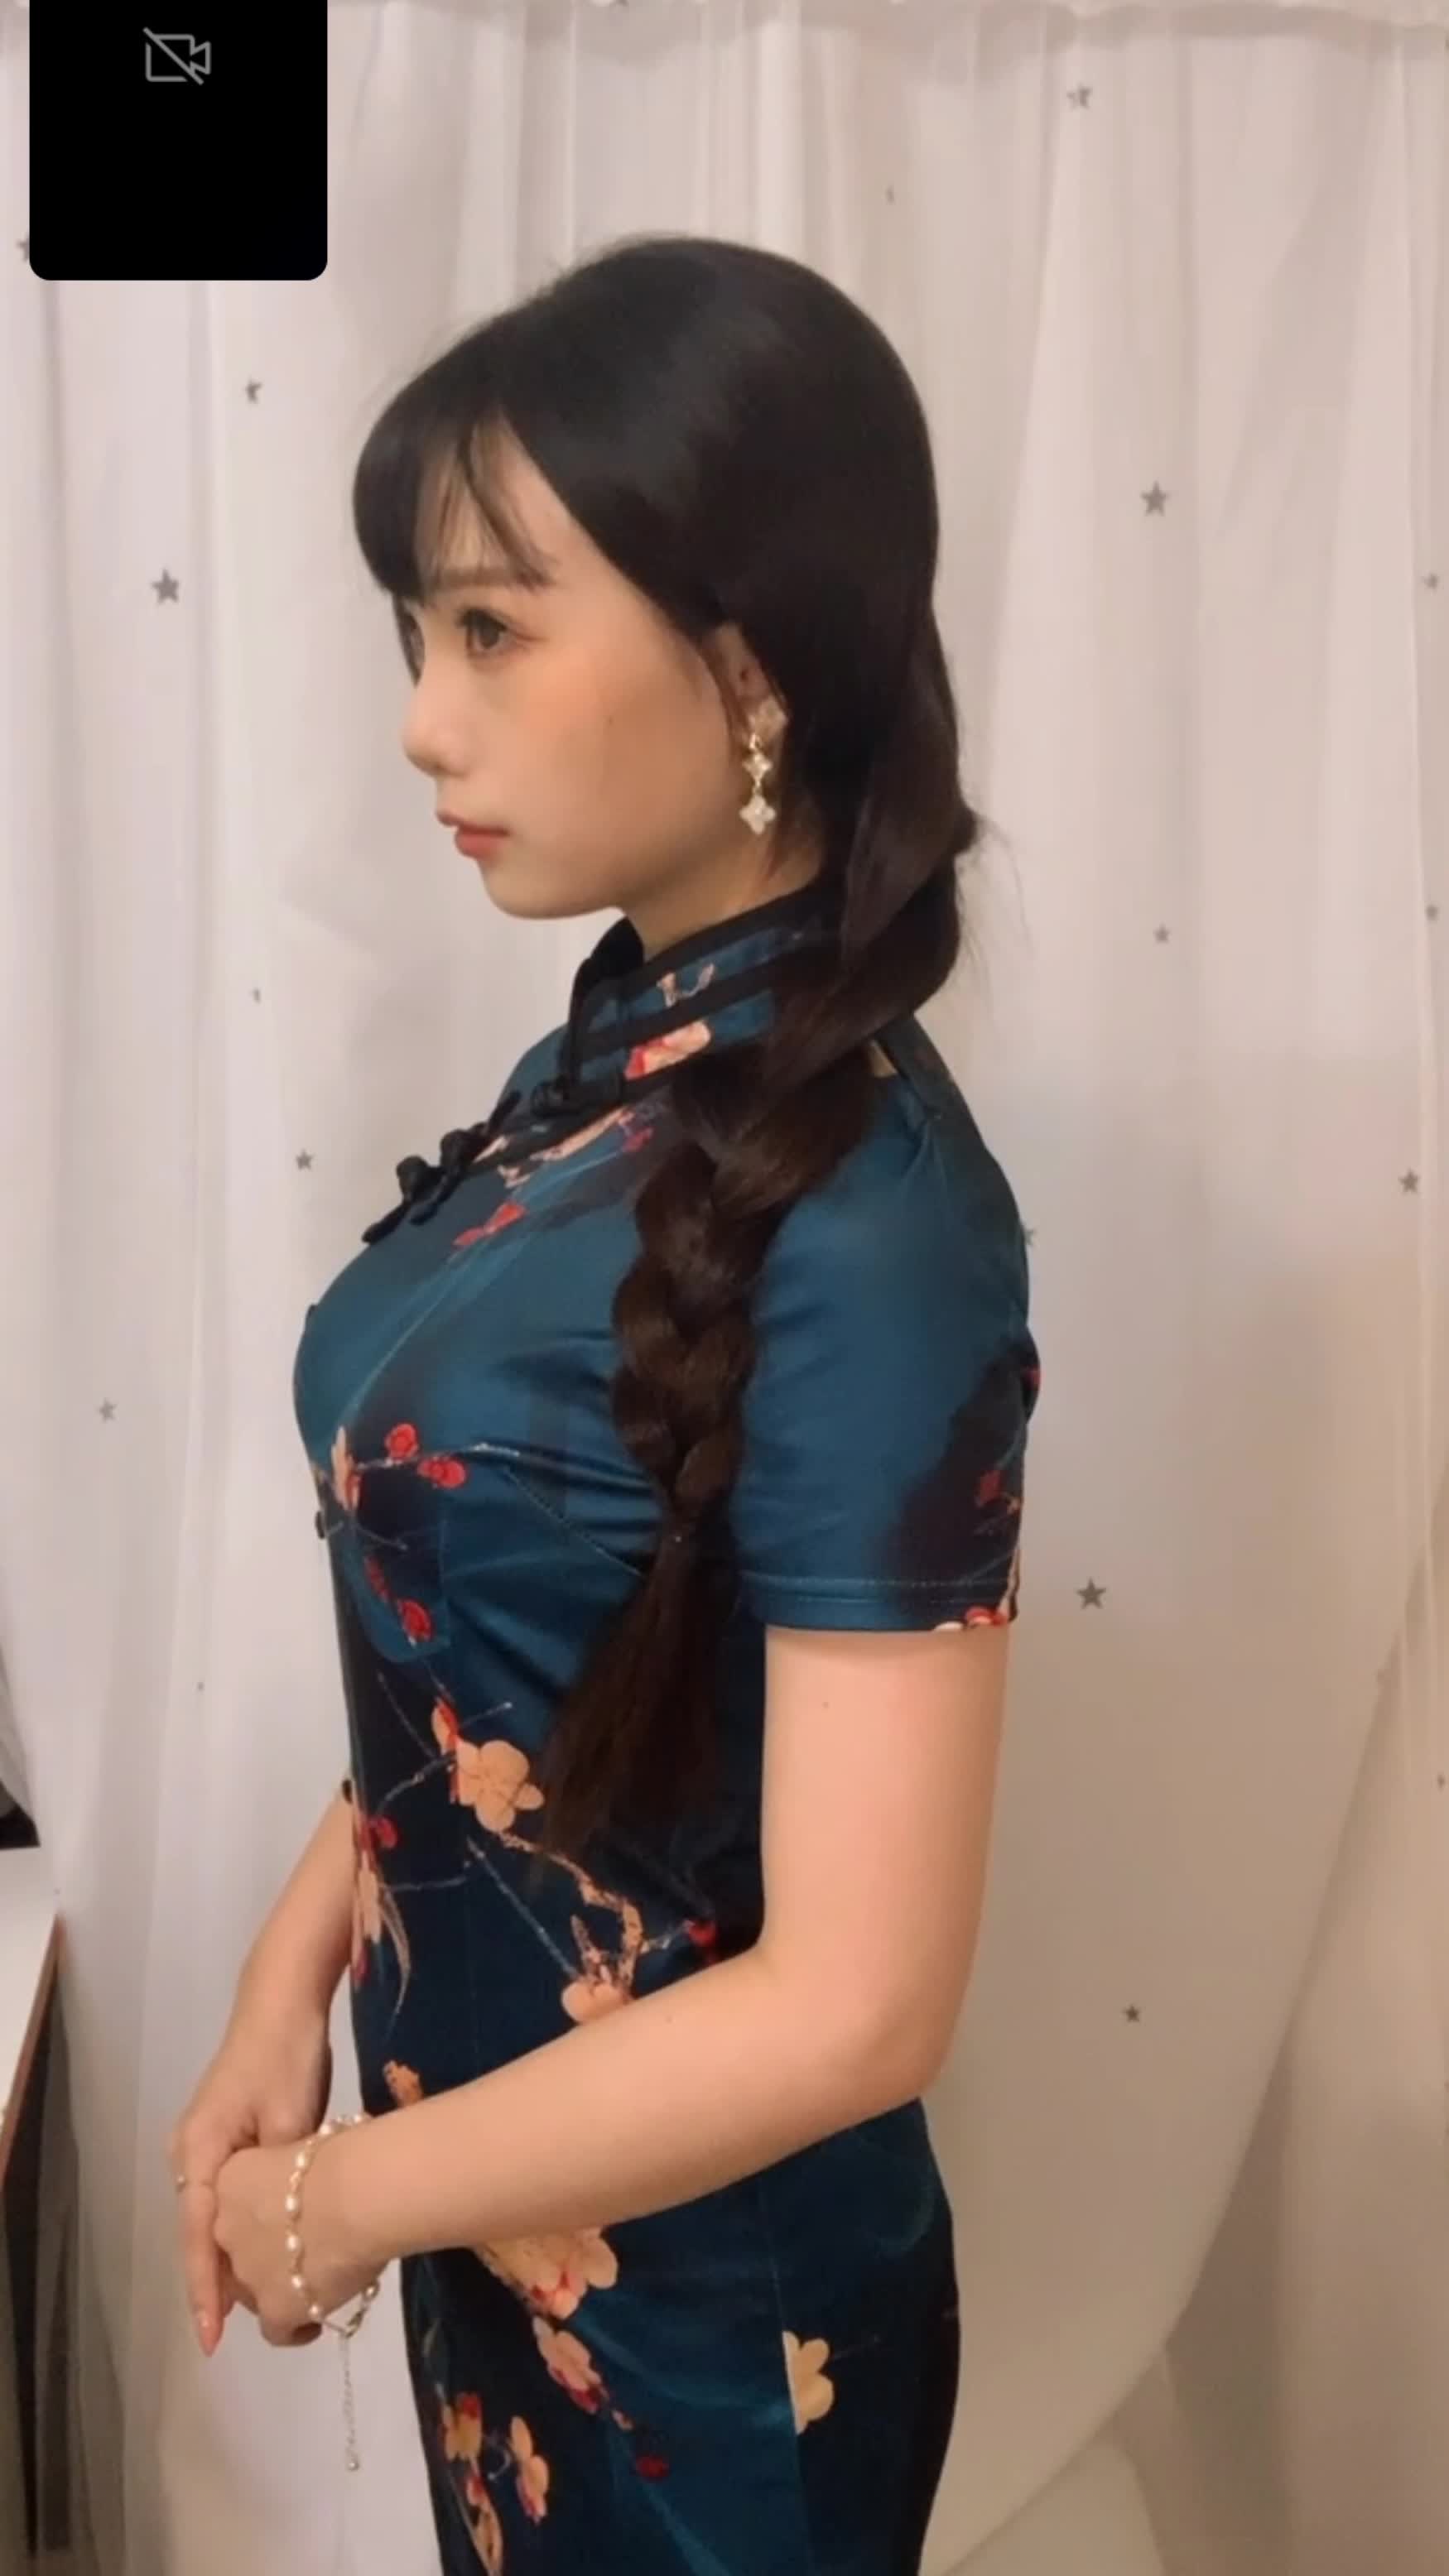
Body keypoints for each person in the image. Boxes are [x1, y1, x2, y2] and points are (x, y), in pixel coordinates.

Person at [169, 233, 1040, 2576]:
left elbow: (859, 2005)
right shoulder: (621, 1069)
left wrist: (340, 2198)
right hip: (513, 2228)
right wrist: (289, 1977)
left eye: (489, 630)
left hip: (713, 2355)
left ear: (748, 660)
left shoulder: (869, 1222)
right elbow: (517, 1640)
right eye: (415, 636)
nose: (419, 722)